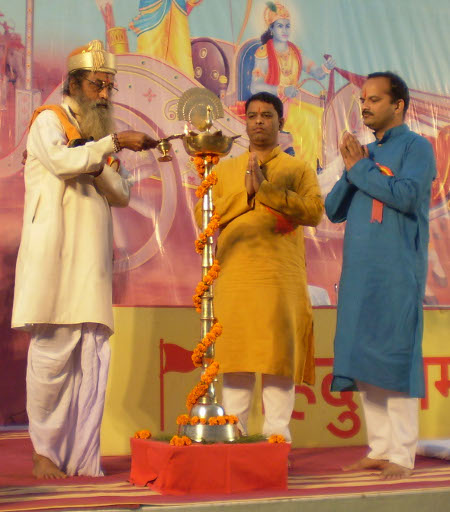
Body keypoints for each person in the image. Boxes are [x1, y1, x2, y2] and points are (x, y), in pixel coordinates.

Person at [11, 40, 158, 479]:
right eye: (97, 84)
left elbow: (121, 193)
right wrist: (109, 145)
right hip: (55, 256)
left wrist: (100, 157)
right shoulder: (49, 121)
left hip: (91, 263)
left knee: (91, 355)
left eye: (110, 86)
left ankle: (80, 458)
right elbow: (59, 161)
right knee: (54, 353)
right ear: (74, 84)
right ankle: (44, 452)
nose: (105, 94)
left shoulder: (95, 139)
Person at [325, 72, 436, 479]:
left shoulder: (417, 147)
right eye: (362, 100)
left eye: (374, 99)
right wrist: (354, 166)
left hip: (396, 269)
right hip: (359, 273)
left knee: (395, 356)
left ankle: (402, 455)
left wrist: (361, 169)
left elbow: (406, 196)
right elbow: (334, 208)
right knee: (364, 357)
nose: (365, 106)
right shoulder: (365, 154)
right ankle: (380, 447)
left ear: (398, 105)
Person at [196, 92, 323, 441]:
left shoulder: (297, 169)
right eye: (252, 116)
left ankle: (276, 440)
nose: (259, 122)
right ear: (244, 121)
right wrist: (248, 196)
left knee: (277, 359)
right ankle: (233, 438)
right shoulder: (225, 170)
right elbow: (203, 216)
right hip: (236, 275)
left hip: (280, 277)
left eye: (267, 115)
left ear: (280, 122)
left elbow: (313, 211)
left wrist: (267, 190)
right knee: (235, 357)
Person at [250, 1, 335, 168]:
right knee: (309, 120)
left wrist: (326, 68)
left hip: (291, 104)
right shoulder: (264, 52)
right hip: (273, 107)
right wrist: (282, 89)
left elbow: (316, 72)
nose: (284, 30)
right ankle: (306, 171)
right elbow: (255, 87)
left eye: (287, 26)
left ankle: (314, 166)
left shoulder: (295, 51)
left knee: (321, 116)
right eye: (280, 26)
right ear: (272, 29)